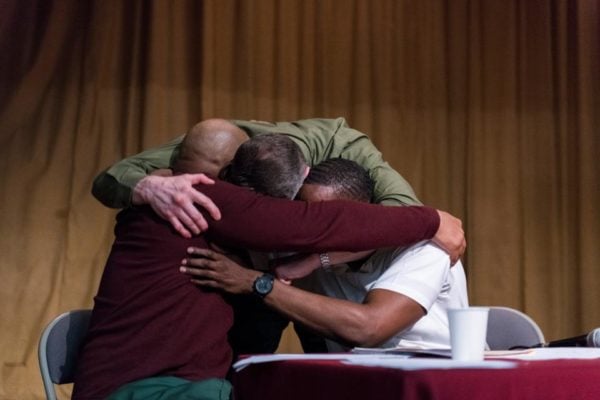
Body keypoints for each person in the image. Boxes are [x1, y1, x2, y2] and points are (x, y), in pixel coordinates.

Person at [73, 130, 464, 399]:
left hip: (174, 383)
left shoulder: (190, 201)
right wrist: (431, 220)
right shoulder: (210, 200)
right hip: (147, 388)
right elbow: (321, 225)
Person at [181, 158, 468, 351]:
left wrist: (256, 283)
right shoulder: (300, 253)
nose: (315, 228)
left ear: (366, 215)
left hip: (433, 382)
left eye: (331, 219)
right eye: (306, 215)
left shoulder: (426, 250)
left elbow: (369, 328)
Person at [91, 117, 424, 240]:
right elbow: (111, 178)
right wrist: (150, 187)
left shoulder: (346, 146)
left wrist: (319, 257)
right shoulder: (211, 147)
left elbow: (406, 217)